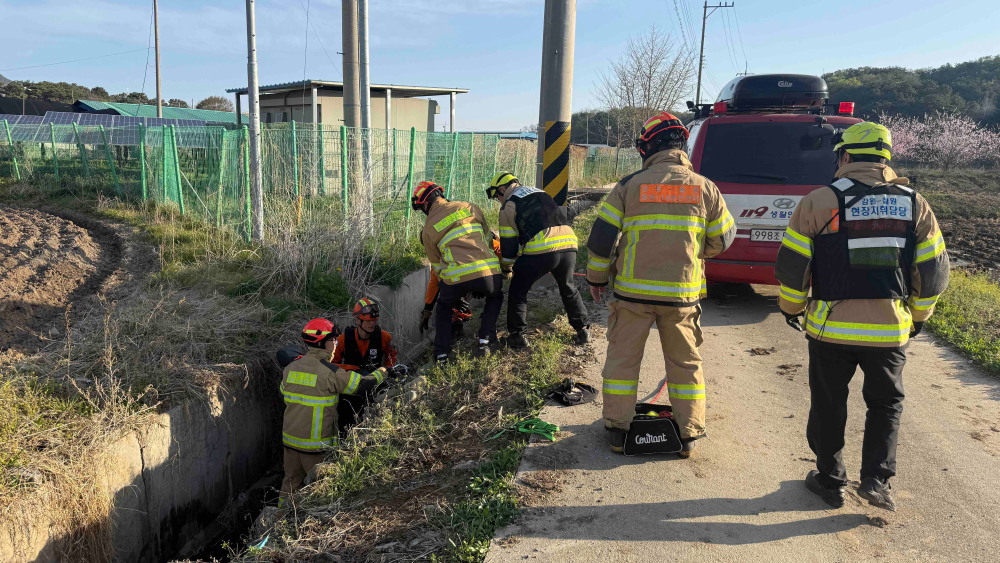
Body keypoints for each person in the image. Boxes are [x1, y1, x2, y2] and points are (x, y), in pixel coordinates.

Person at [775, 121, 949, 511]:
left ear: (846, 156)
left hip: (829, 330)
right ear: (886, 159)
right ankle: (876, 480)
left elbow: (792, 267)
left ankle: (830, 481)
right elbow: (934, 272)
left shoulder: (819, 200)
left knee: (828, 402)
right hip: (889, 331)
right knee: (886, 405)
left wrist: (791, 308)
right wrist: (918, 316)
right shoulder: (914, 203)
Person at [585, 112, 735, 457]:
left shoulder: (629, 186)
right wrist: (696, 253)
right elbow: (724, 238)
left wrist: (596, 278)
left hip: (632, 295)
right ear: (681, 144)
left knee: (622, 364)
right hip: (682, 297)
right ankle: (688, 436)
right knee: (685, 365)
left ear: (647, 147)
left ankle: (618, 433)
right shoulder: (705, 187)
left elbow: (602, 240)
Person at [279, 318, 389, 505]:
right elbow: (364, 385)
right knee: (320, 493)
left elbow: (285, 392)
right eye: (334, 340)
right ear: (323, 342)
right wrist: (384, 371)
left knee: (289, 487)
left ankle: (278, 523)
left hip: (290, 445)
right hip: (316, 448)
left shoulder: (290, 369)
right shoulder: (329, 372)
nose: (337, 343)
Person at [488, 172, 590, 348]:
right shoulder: (539, 192)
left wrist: (506, 270)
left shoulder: (508, 206)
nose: (498, 200)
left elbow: (509, 249)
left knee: (518, 290)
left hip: (542, 247)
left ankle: (517, 336)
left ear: (503, 189)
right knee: (568, 287)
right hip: (569, 242)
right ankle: (583, 330)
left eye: (496, 195)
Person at [411, 181, 504, 361]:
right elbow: (489, 242)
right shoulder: (470, 207)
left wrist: (430, 308)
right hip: (488, 272)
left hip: (455, 280)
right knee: (496, 295)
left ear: (425, 204)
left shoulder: (428, 229)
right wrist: (504, 269)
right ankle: (485, 340)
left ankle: (441, 355)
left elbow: (436, 272)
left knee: (444, 307)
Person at [420, 232, 503, 338]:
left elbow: (503, 252)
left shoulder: (473, 240)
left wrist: (489, 278)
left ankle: (488, 331)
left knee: (495, 295)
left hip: (489, 270)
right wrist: (427, 310)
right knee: (450, 291)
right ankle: (457, 323)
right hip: (471, 275)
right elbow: (435, 282)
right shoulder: (442, 254)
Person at [332, 298, 398, 429]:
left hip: (374, 387)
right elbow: (332, 364)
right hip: (350, 391)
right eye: (368, 321)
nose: (372, 324)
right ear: (357, 320)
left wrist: (387, 371)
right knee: (346, 422)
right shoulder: (344, 339)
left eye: (374, 320)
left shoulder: (384, 337)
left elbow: (391, 356)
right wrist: (352, 370)